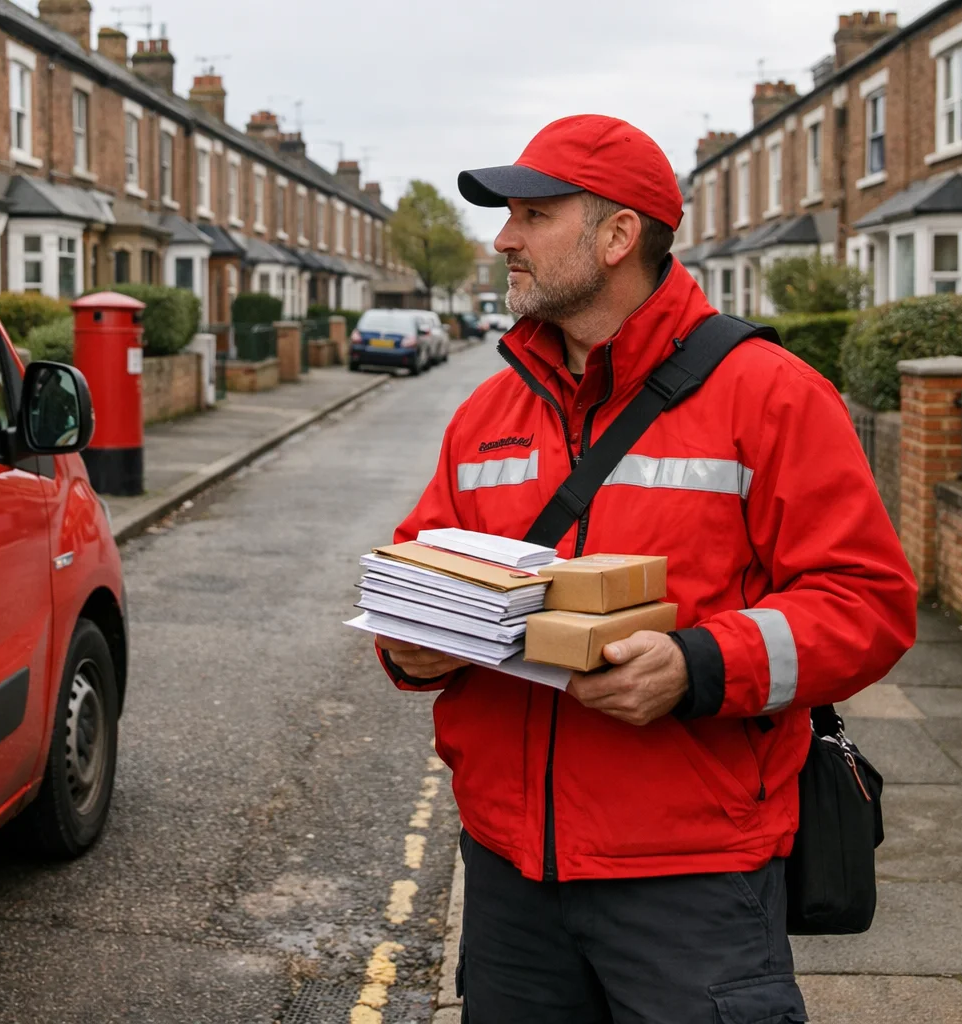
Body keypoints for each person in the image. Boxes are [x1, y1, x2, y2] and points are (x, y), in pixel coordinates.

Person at [374, 115, 917, 1022]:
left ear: (618, 234)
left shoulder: (773, 394)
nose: (503, 237)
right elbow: (423, 574)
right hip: (509, 873)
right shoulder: (486, 412)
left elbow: (866, 604)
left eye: (533, 214)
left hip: (692, 879)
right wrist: (412, 644)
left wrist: (699, 666)